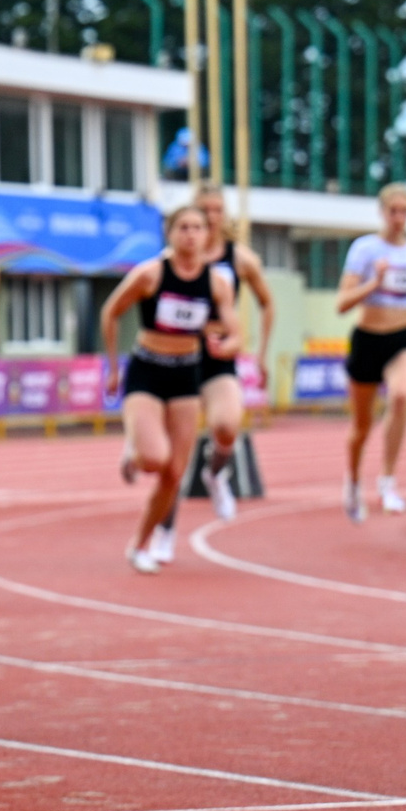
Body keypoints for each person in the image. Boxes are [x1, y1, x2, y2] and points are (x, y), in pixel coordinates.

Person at [100, 205, 242, 573]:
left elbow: (235, 330)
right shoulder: (149, 274)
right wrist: (113, 367)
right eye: (183, 227)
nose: (191, 234)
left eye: (198, 227)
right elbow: (111, 312)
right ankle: (134, 452)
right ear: (170, 233)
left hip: (186, 375)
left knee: (174, 474)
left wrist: (227, 346)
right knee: (154, 459)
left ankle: (140, 545)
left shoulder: (216, 283)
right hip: (147, 371)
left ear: (207, 236)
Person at [150, 183, 276, 551]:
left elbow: (267, 303)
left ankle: (216, 472)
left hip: (219, 358)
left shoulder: (240, 260)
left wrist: (261, 352)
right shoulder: (168, 261)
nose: (210, 218)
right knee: (175, 453)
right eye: (203, 211)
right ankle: (165, 530)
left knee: (226, 425)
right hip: (179, 358)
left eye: (217, 210)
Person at [337, 182, 406, 520]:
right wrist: (374, 283)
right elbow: (342, 303)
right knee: (361, 426)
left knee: (401, 397)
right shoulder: (365, 250)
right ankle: (352, 481)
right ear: (382, 212)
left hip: (403, 337)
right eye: (393, 211)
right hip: (368, 338)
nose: (398, 217)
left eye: (404, 211)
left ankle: (388, 480)